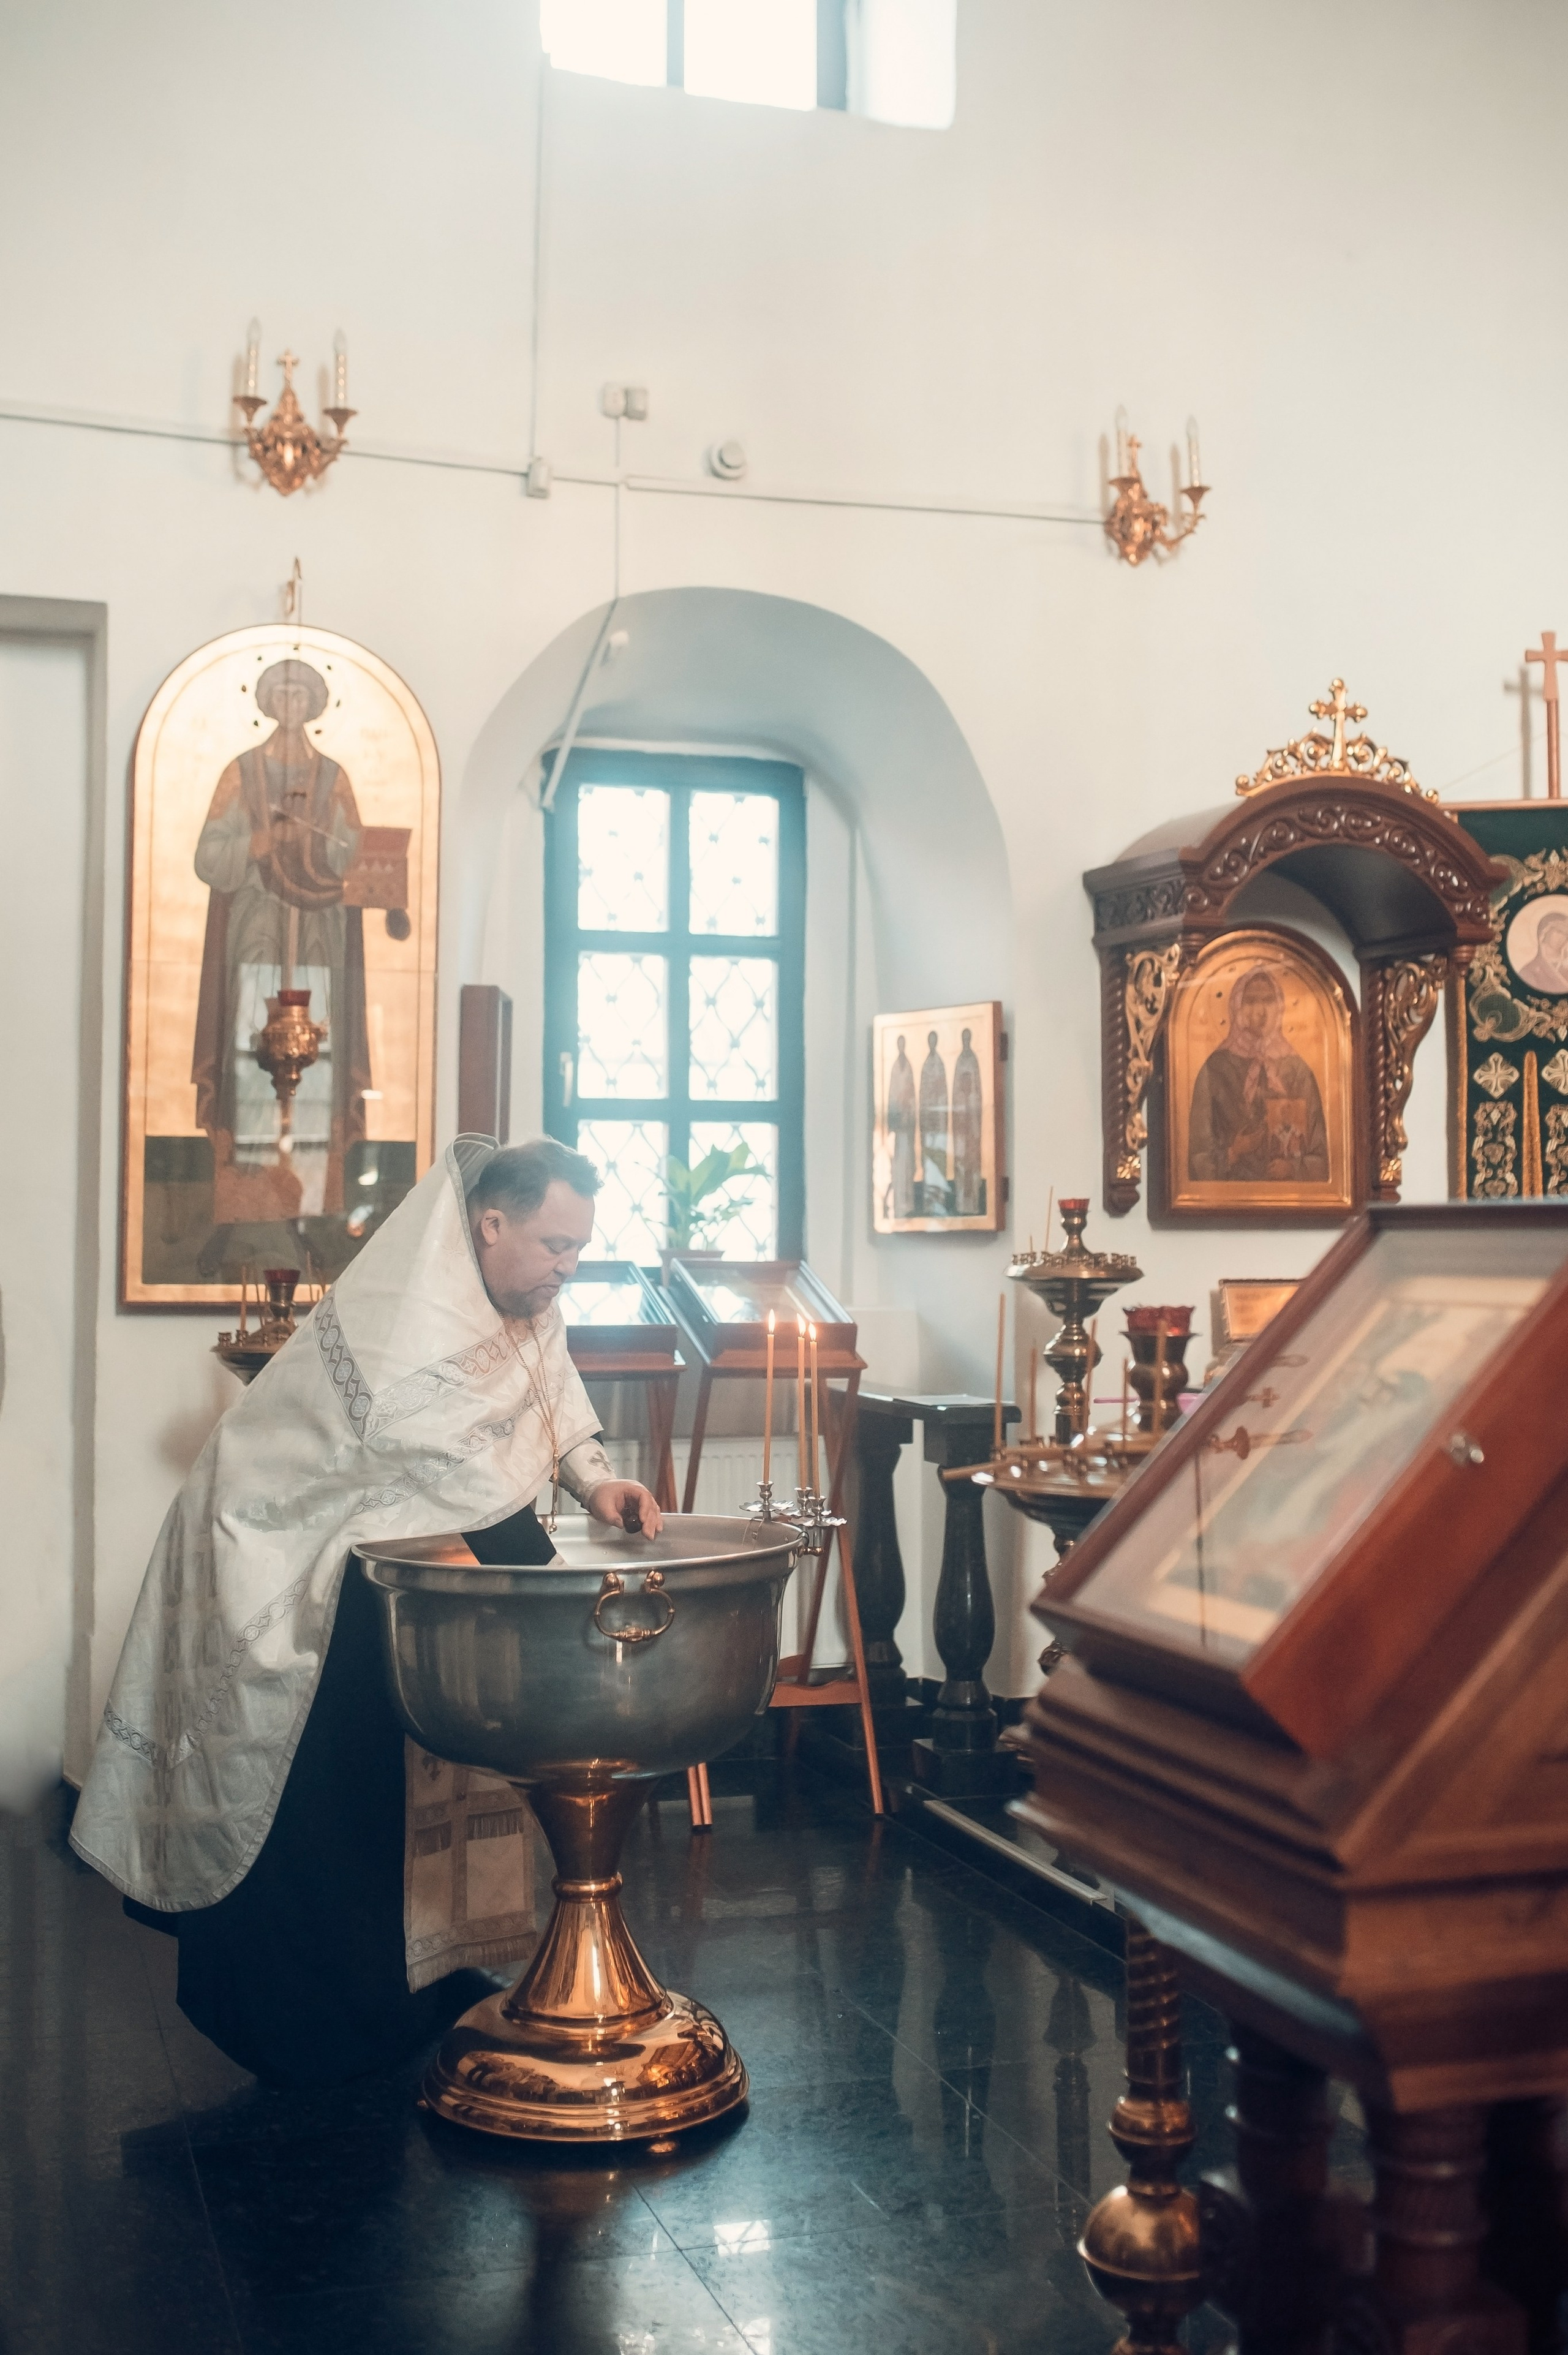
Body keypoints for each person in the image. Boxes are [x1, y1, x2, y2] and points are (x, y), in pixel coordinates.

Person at [70, 1136, 661, 2085]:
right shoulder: (401, 1313)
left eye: (579, 1249)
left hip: (387, 1566)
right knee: (320, 1799)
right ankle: (307, 2027)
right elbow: (437, 1457)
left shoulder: (523, 1299)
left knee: (402, 1785)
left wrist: (597, 1482)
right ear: (491, 1221)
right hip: (282, 1567)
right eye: (555, 1244)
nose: (568, 1267)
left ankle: (413, 1990)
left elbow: (549, 1399)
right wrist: (541, 1572)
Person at [191, 657, 372, 1226]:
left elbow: (356, 857)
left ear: (314, 705)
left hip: (318, 936)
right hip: (256, 934)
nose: (291, 703)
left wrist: (337, 851)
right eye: (282, 693)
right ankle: (249, 1201)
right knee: (252, 1047)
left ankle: (313, 1205)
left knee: (320, 1052)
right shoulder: (240, 773)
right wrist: (261, 842)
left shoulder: (331, 777)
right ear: (267, 702)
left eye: (302, 695)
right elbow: (208, 856)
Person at [1187, 965, 1329, 1185]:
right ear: (1237, 1007)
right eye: (1251, 1001)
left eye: (1269, 1001)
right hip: (1230, 1200)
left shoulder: (1298, 1071)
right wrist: (1233, 1152)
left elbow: (1322, 1158)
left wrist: (1293, 1168)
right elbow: (1197, 1158)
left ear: (1280, 1006)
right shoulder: (1215, 1069)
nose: (1261, 1011)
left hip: (1288, 1199)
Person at [951, 1027, 984, 1215]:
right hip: (961, 1128)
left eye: (967, 1038)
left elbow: (978, 1091)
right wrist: (961, 1100)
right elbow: (955, 1094)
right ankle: (960, 1203)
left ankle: (973, 1203)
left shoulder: (973, 1060)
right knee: (961, 1162)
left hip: (972, 1127)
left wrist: (970, 1098)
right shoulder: (959, 1061)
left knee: (972, 1163)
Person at [886, 1033, 917, 1218]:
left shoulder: (909, 1067)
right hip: (899, 1123)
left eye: (904, 1044)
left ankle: (908, 1202)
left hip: (908, 1121)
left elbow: (912, 1092)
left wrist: (909, 1110)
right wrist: (896, 1114)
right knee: (899, 1162)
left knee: (908, 1163)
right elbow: (891, 1094)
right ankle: (898, 1201)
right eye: (899, 1044)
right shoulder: (895, 1067)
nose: (902, 1047)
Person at [1516, 907, 1568, 994]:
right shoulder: (1530, 971)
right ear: (1544, 932)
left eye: (1566, 934)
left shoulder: (1566, 966)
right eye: (1559, 932)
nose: (1562, 938)